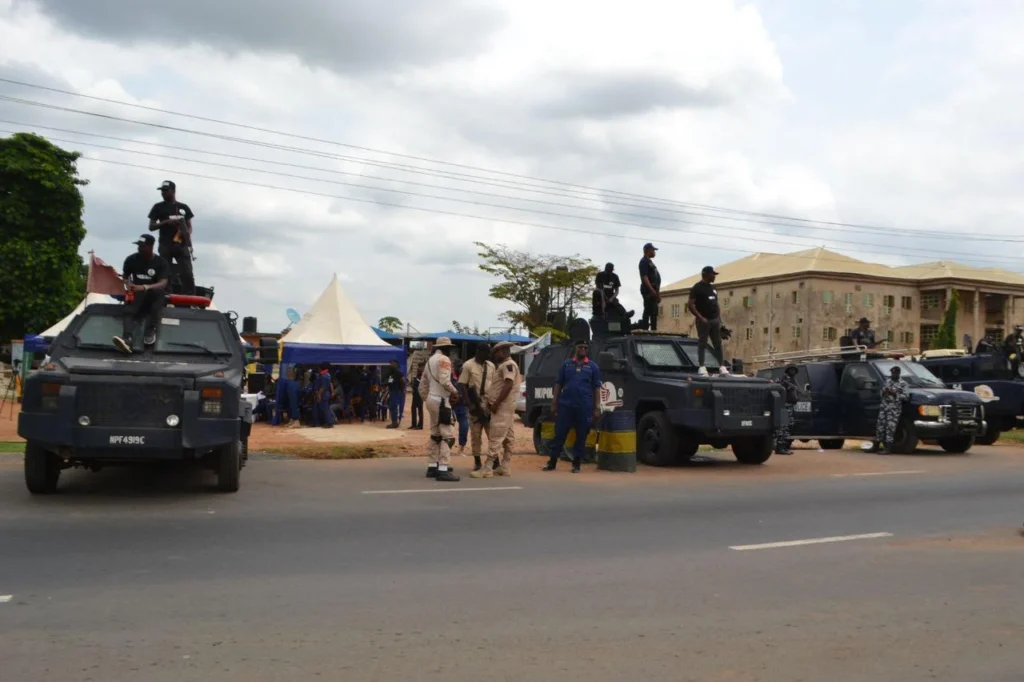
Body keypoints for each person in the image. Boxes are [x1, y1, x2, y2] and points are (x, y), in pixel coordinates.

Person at [542, 339, 602, 473]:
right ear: (575, 348)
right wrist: (554, 402)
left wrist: (596, 408)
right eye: (581, 347)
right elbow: (558, 384)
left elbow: (597, 388)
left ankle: (576, 464)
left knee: (581, 435)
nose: (583, 350)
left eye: (585, 348)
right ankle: (552, 462)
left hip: (584, 406)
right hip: (566, 406)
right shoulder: (567, 365)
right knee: (559, 434)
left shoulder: (593, 367)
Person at [113, 234, 170, 354]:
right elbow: (125, 277)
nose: (139, 248)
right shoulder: (131, 260)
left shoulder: (161, 263)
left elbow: (163, 283)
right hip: (137, 294)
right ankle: (127, 339)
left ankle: (150, 330)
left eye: (142, 246)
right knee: (128, 310)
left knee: (157, 298)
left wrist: (144, 287)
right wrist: (128, 285)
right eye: (138, 246)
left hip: (154, 294)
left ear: (150, 247)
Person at [471, 342, 522, 478]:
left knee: (496, 438)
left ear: (503, 351)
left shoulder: (508, 365)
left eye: (496, 352)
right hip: (506, 407)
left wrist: (496, 403)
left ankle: (487, 468)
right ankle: (504, 466)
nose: (494, 355)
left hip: (502, 408)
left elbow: (508, 384)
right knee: (508, 438)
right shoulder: (507, 365)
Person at [420, 338, 461, 482]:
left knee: (435, 434)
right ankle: (443, 468)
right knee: (447, 435)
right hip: (442, 400)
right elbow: (445, 381)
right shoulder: (444, 360)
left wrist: (427, 399)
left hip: (431, 399)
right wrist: (455, 392)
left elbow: (422, 385)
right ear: (446, 348)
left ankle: (432, 466)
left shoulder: (430, 361)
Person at [148, 180, 195, 295]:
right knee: (166, 272)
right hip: (165, 245)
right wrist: (166, 222)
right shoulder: (158, 207)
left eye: (165, 190)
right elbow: (151, 226)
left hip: (182, 244)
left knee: (187, 273)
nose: (163, 193)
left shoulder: (183, 207)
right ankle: (166, 296)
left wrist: (185, 234)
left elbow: (189, 226)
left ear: (173, 191)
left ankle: (189, 297)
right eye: (162, 191)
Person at [687, 265, 730, 377]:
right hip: (703, 321)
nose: (714, 276)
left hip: (715, 320)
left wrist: (720, 321)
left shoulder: (713, 288)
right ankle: (702, 366)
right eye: (713, 274)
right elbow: (690, 304)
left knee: (718, 343)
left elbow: (716, 304)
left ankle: (722, 366)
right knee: (703, 343)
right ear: (706, 275)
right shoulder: (697, 288)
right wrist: (700, 318)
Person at [458, 344, 495, 471]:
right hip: (475, 403)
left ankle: (494, 460)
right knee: (475, 434)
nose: (488, 355)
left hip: (488, 403)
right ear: (479, 352)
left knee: (492, 434)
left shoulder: (491, 366)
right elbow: (462, 385)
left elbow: (494, 385)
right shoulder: (468, 365)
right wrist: (469, 404)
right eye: (486, 352)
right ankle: (477, 461)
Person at [876, 365, 909, 454]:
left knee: (890, 428)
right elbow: (881, 393)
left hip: (894, 409)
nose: (893, 375)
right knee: (880, 427)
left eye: (895, 373)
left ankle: (888, 448)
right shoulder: (887, 381)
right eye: (892, 373)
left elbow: (906, 397)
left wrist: (894, 394)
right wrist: (883, 392)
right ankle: (876, 446)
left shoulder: (903, 384)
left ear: (899, 373)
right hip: (884, 407)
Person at [775, 365, 800, 455]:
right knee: (784, 427)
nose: (792, 371)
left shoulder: (793, 379)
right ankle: (780, 447)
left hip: (790, 406)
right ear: (788, 370)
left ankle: (785, 446)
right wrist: (788, 387)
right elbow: (779, 387)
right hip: (784, 406)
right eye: (791, 370)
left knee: (790, 426)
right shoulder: (783, 379)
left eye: (794, 370)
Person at [638, 243, 661, 330]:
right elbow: (644, 277)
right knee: (648, 309)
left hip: (654, 290)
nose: (654, 252)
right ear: (646, 250)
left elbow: (656, 278)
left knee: (654, 311)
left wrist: (657, 293)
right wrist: (652, 290)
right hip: (648, 290)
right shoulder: (643, 261)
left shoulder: (650, 262)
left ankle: (653, 330)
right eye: (653, 250)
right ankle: (645, 329)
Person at [451, 359, 471, 453]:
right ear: (454, 367)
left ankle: (461, 445)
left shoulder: (465, 377)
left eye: (461, 367)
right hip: (451, 406)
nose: (460, 369)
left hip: (462, 405)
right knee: (449, 427)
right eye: (458, 366)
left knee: (464, 426)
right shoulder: (449, 378)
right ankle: (447, 446)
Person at [312, 364, 335, 428]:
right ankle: (328, 422)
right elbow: (330, 384)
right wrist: (332, 392)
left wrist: (319, 395)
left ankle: (329, 423)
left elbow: (323, 387)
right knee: (325, 408)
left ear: (321, 368)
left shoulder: (324, 376)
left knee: (325, 409)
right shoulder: (327, 374)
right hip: (325, 393)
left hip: (323, 394)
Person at [384, 359, 405, 429]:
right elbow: (388, 380)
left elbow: (403, 381)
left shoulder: (398, 372)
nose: (390, 365)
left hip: (397, 391)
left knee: (394, 406)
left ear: (396, 364)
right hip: (392, 391)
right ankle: (394, 421)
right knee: (392, 406)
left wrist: (402, 390)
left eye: (392, 363)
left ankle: (395, 422)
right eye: (390, 363)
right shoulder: (391, 373)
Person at [408, 364, 425, 430]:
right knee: (413, 409)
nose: (418, 369)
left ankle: (420, 425)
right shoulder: (417, 376)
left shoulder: (423, 377)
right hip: (415, 395)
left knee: (420, 410)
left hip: (420, 395)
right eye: (418, 368)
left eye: (419, 368)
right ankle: (413, 424)